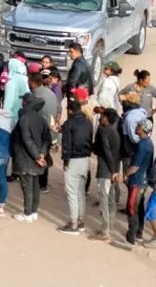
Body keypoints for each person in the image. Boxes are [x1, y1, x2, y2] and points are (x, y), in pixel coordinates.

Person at [11, 92, 52, 223]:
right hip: (38, 156)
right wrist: (42, 154)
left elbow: (26, 139)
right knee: (35, 186)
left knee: (27, 187)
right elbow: (47, 139)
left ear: (26, 103)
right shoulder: (41, 119)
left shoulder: (24, 119)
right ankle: (34, 212)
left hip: (26, 158)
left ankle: (28, 213)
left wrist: (36, 156)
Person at [59, 98, 93, 234]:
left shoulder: (69, 123)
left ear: (70, 110)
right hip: (85, 159)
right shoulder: (88, 122)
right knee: (80, 193)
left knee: (72, 193)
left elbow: (66, 144)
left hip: (73, 159)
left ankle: (73, 224)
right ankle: (80, 221)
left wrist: (65, 161)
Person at [90, 108, 122, 242]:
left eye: (102, 116)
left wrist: (112, 171)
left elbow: (106, 151)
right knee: (110, 199)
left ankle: (105, 230)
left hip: (105, 170)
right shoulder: (115, 132)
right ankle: (110, 226)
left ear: (106, 118)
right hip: (113, 169)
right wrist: (115, 170)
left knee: (104, 199)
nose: (100, 118)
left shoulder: (104, 132)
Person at [124, 119, 155, 246]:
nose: (136, 127)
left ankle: (132, 236)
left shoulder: (142, 145)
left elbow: (135, 166)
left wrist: (125, 174)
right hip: (144, 179)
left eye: (138, 126)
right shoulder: (149, 143)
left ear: (142, 129)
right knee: (140, 206)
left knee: (132, 207)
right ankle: (139, 232)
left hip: (137, 180)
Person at [30, 72, 58, 193]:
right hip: (51, 131)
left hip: (41, 132)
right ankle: (43, 184)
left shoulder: (35, 95)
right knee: (45, 155)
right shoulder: (51, 94)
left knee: (38, 157)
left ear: (33, 82)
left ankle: (39, 184)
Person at [3, 57, 30, 123]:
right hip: (24, 116)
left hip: (12, 118)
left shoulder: (11, 82)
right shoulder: (26, 80)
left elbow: (8, 103)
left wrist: (4, 118)